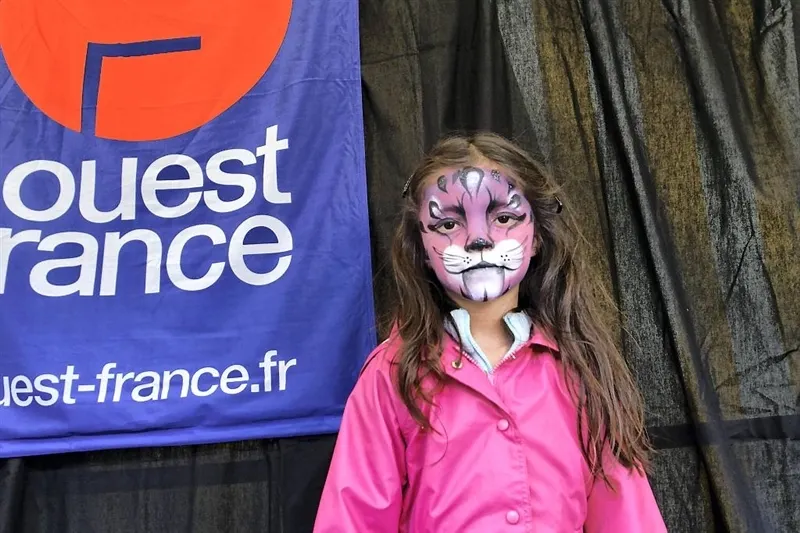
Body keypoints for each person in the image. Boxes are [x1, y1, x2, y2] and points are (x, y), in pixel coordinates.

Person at [313, 132, 667, 532]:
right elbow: (351, 520)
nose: (478, 240)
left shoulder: (581, 370)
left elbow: (629, 517)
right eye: (449, 223)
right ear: (422, 246)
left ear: (537, 236)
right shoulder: (391, 376)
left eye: (503, 218)